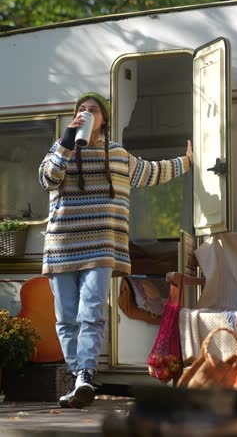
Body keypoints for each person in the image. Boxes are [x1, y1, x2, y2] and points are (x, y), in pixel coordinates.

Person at [39, 92, 193, 408]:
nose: (86, 113)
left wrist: (187, 161)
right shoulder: (61, 148)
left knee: (91, 311)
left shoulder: (118, 155)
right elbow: (47, 178)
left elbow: (153, 171)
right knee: (66, 318)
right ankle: (76, 375)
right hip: (62, 246)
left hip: (101, 246)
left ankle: (84, 375)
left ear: (104, 119)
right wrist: (67, 143)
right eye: (81, 109)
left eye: (92, 109)